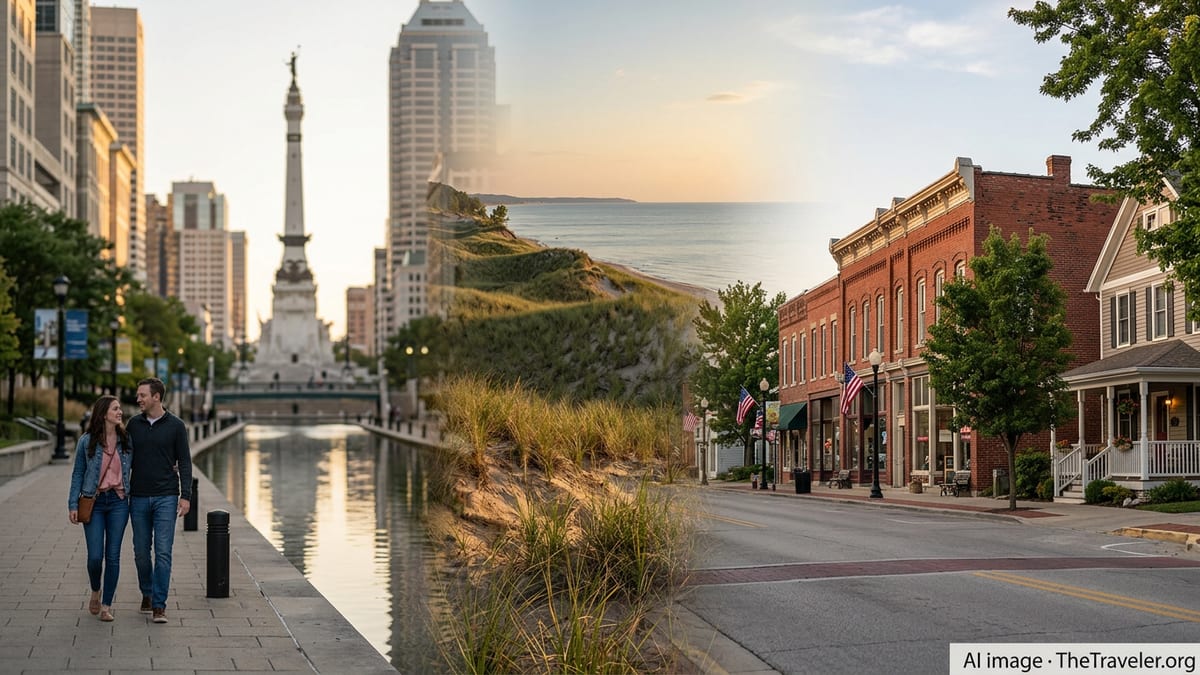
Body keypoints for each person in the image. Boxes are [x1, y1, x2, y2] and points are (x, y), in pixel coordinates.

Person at [127, 377, 192, 624]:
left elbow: (185, 461)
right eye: (138, 395)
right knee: (141, 552)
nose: (138, 399)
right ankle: (147, 591)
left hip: (167, 496)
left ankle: (159, 605)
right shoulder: (133, 424)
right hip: (139, 497)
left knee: (163, 552)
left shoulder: (176, 426)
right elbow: (124, 458)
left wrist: (186, 495)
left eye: (142, 395)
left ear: (156, 396)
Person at [67, 395, 132, 622]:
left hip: (118, 502)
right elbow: (77, 474)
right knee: (95, 557)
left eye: (120, 408)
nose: (120, 412)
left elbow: (142, 464)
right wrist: (73, 504)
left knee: (112, 556)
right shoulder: (87, 441)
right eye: (116, 409)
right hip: (93, 502)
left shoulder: (126, 440)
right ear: (104, 413)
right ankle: (96, 589)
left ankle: (106, 605)